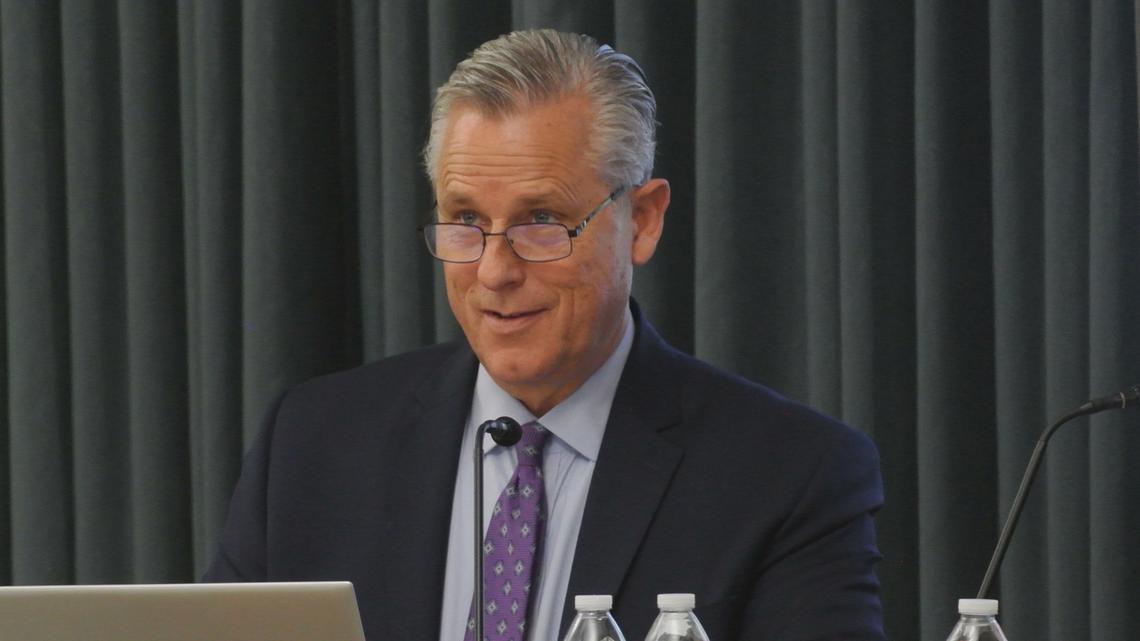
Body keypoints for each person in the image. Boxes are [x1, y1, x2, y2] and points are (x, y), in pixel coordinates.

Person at [205, 29, 885, 641]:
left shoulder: (788, 475)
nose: (494, 271)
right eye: (465, 220)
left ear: (642, 221)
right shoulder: (313, 444)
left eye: (541, 222)